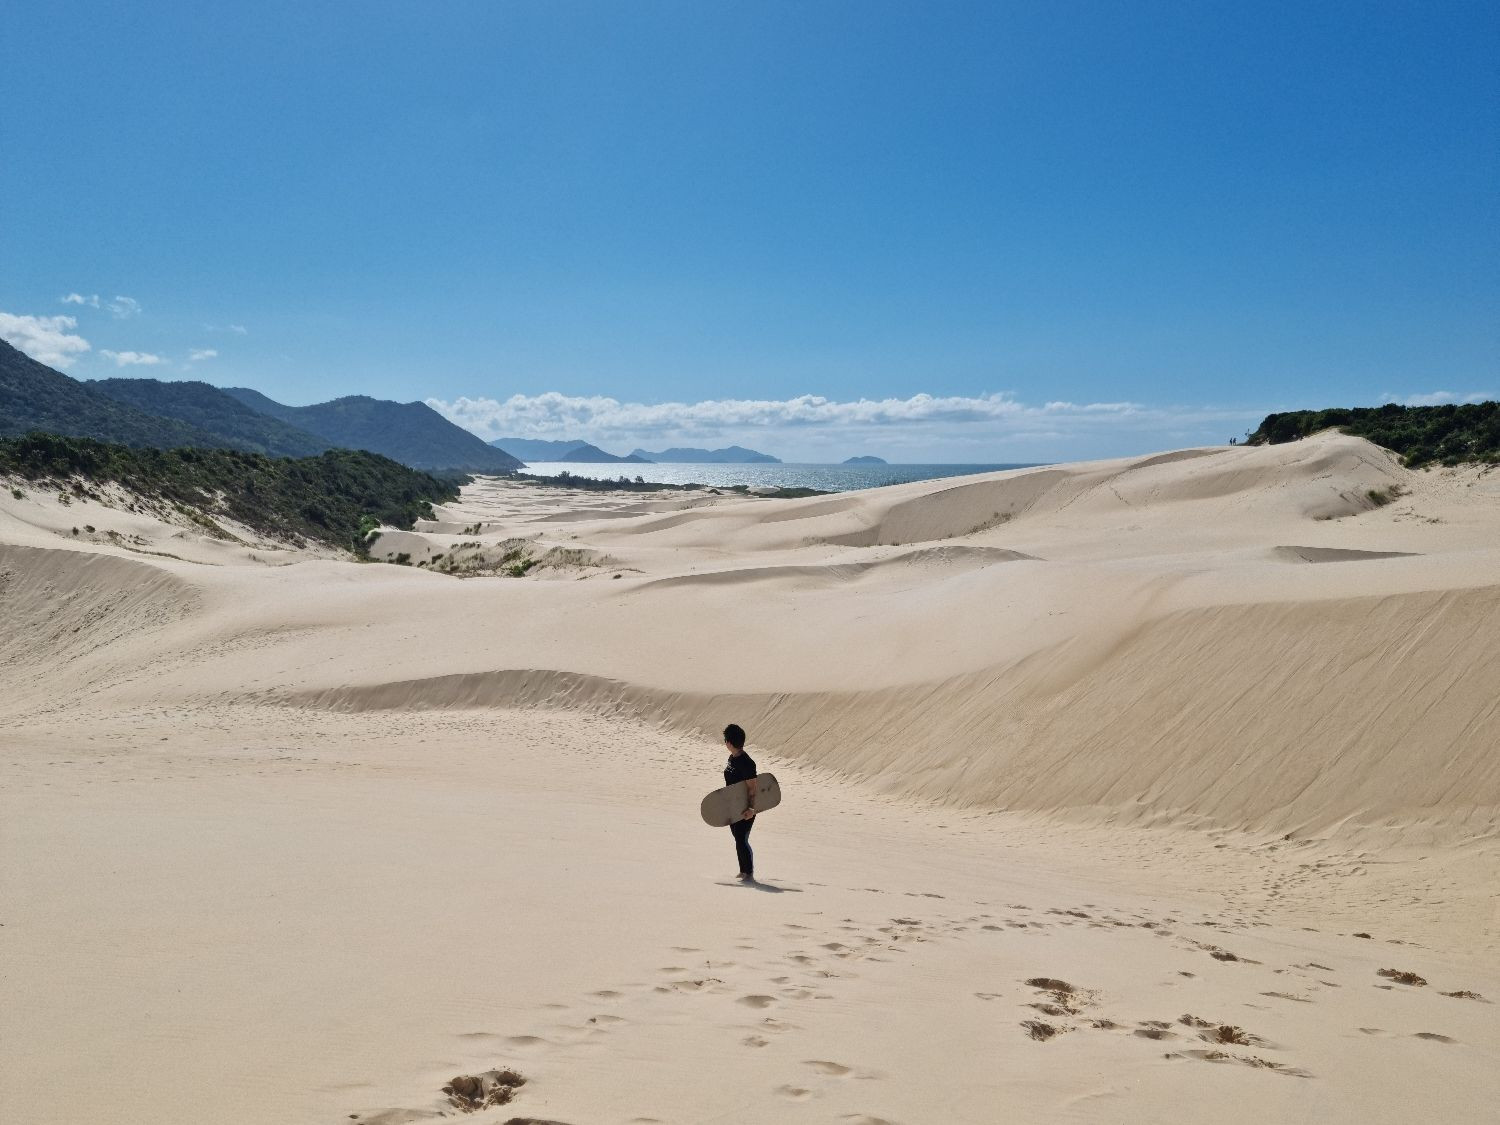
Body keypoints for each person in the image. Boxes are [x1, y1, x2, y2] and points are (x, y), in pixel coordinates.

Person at [722, 723, 758, 881]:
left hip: (745, 807)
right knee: (737, 838)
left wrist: (751, 809)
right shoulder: (733, 758)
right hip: (733, 806)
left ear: (729, 743)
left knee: (741, 839)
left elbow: (753, 788)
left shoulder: (747, 762)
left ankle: (748, 873)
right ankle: (743, 870)